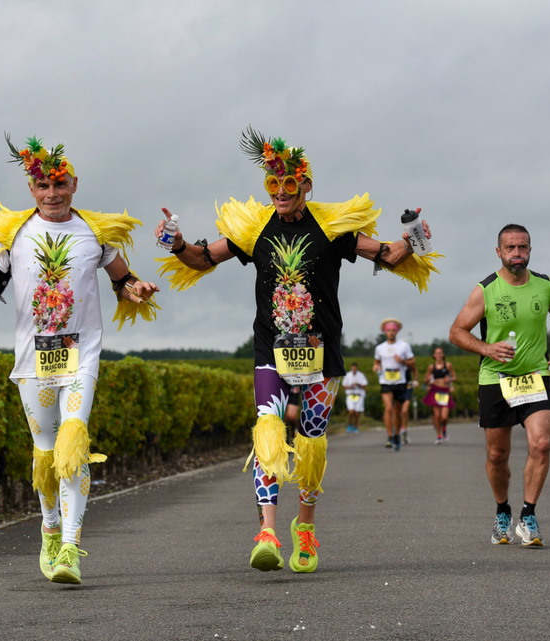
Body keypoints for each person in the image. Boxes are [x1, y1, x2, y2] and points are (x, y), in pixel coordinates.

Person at [154, 126, 438, 573]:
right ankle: (266, 532)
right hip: (271, 350)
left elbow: (389, 255)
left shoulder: (331, 228)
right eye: (273, 183)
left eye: (290, 183)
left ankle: (304, 526)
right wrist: (176, 243)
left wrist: (416, 235)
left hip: (321, 352)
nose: (281, 191)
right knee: (268, 432)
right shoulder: (254, 229)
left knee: (310, 443)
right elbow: (202, 258)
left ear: (306, 184)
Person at [0, 133, 160, 585]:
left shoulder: (96, 233)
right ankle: (48, 525)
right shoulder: (11, 235)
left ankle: (70, 547)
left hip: (81, 354)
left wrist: (137, 290)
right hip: (34, 361)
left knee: (72, 442)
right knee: (45, 452)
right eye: (43, 185)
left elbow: (123, 280)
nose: (52, 194)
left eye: (59, 185)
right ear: (31, 188)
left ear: (74, 185)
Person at [449, 223, 550, 547]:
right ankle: (503, 511)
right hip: (496, 380)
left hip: (535, 376)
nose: (517, 253)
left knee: (542, 444)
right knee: (497, 454)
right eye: (511, 248)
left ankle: (528, 515)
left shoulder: (546, 286)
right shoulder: (485, 290)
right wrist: (487, 348)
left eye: (523, 247)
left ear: (530, 250)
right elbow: (457, 331)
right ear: (499, 252)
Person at [373, 319, 417, 450]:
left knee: (398, 412)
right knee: (388, 408)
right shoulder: (379, 348)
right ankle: (389, 435)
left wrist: (402, 361)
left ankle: (397, 434)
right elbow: (376, 362)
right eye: (388, 331)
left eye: (393, 330)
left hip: (400, 382)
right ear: (385, 332)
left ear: (396, 332)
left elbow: (412, 362)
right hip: (386, 382)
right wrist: (375, 367)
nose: (391, 333)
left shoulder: (404, 346)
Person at [422, 346, 456, 443]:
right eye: (437, 353)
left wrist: (449, 380)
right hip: (435, 391)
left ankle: (444, 428)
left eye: (440, 353)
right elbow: (425, 380)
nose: (439, 355)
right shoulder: (431, 367)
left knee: (444, 417)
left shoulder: (448, 365)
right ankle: (439, 435)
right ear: (434, 355)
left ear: (443, 355)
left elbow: (454, 377)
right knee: (437, 416)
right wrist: (428, 380)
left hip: (445, 392)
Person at [342, 362, 369, 433]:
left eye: (355, 368)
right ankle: (350, 424)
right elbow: (344, 386)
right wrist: (351, 386)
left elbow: (365, 385)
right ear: (351, 368)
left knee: (357, 413)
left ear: (357, 368)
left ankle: (356, 426)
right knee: (351, 411)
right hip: (350, 395)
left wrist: (358, 384)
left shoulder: (361, 375)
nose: (354, 369)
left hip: (359, 396)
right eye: (353, 367)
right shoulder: (347, 375)